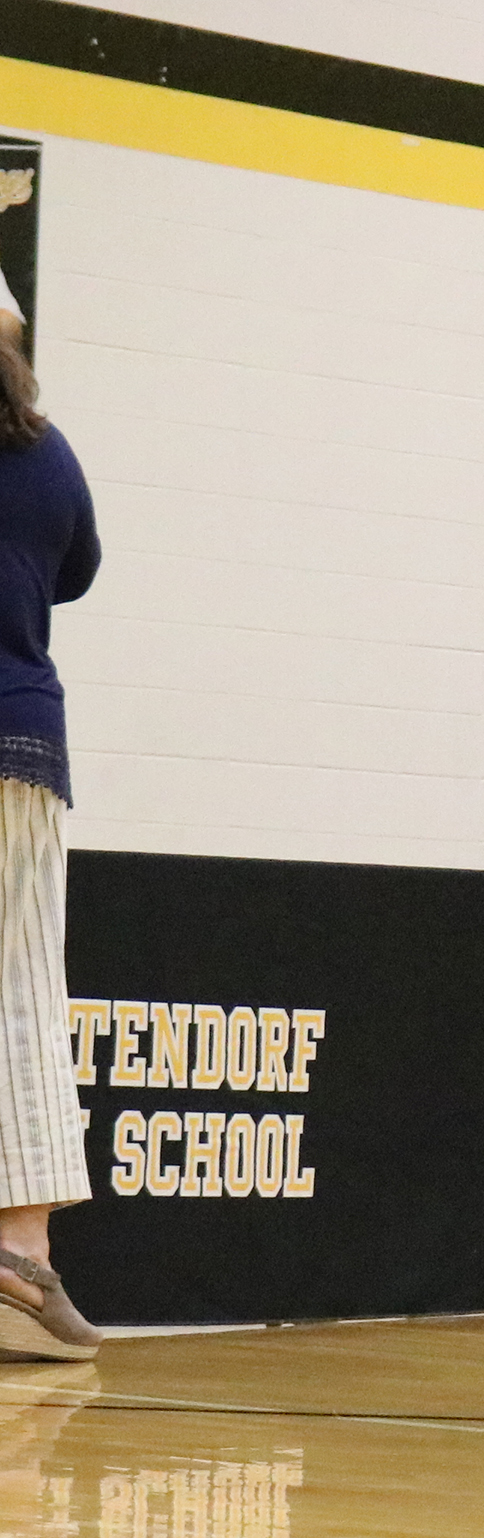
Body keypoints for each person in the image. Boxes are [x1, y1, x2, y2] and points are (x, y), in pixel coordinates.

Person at [0, 317, 104, 1362]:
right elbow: (77, 569)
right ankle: (21, 1250)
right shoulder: (46, 448)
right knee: (18, 985)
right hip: (17, 734)